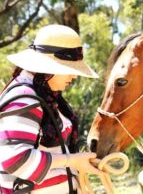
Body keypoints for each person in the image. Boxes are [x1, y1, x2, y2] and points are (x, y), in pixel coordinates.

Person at [0, 24, 102, 193]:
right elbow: (16, 160)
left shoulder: (43, 94)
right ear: (48, 68)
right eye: (69, 69)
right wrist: (72, 160)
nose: (74, 75)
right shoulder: (25, 98)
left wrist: (80, 161)